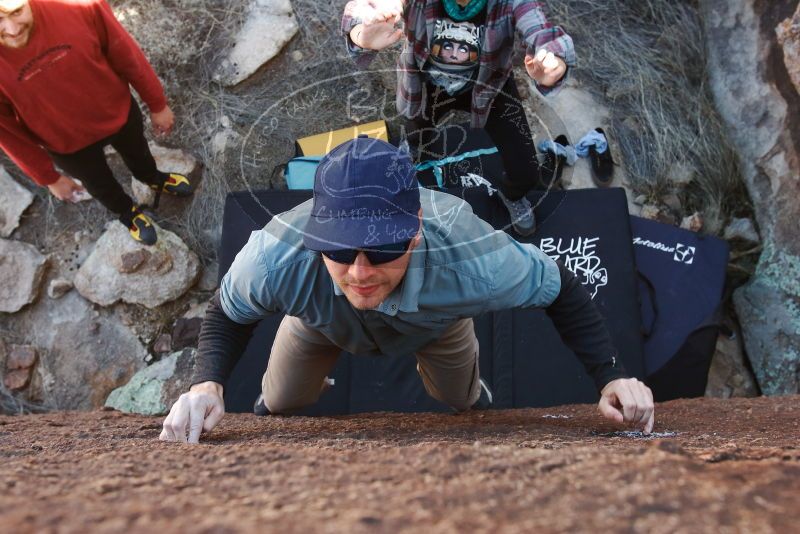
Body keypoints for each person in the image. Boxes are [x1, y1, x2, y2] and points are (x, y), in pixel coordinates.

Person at [160, 137, 655, 444]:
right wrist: (207, 384)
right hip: (319, 323)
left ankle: (467, 387)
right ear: (317, 231)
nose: (359, 271)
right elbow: (227, 312)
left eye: (380, 250)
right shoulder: (275, 255)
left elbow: (560, 288)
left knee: (463, 401)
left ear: (414, 227)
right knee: (281, 402)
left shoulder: (475, 256)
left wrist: (611, 376)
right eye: (337, 249)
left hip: (436, 328)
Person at [340, 0, 575, 236]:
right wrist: (360, 32)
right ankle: (413, 147)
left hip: (489, 85)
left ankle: (513, 196)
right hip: (427, 84)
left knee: (526, 169)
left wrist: (555, 63)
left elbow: (542, 30)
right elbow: (366, 7)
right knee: (417, 129)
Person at [0, 0, 193, 246]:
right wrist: (48, 177)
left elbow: (125, 52)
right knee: (100, 184)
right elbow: (7, 132)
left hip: (117, 112)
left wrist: (157, 103)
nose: (13, 29)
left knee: (139, 152)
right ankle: (127, 213)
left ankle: (152, 177)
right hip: (66, 144)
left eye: (17, 12)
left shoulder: (80, 5)